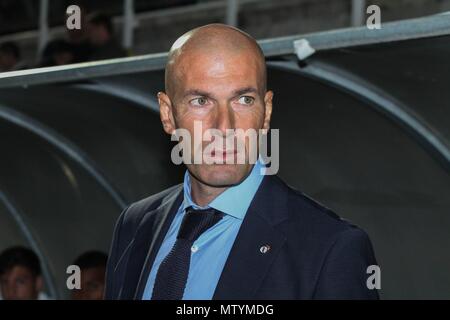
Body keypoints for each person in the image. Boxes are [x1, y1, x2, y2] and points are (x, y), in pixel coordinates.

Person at [104, 24, 379, 300]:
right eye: (201, 101)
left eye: (243, 100)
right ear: (168, 114)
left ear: (266, 111)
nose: (224, 126)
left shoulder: (330, 248)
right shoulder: (134, 224)